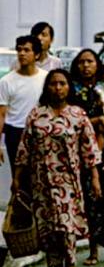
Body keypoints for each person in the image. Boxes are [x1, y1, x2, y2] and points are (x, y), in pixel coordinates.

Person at [11, 70, 102, 267]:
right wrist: (17, 178)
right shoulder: (36, 115)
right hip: (41, 181)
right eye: (53, 84)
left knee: (65, 224)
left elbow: (89, 150)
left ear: (68, 87)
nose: (58, 88)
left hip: (68, 181)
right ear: (47, 87)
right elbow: (25, 149)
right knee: (47, 227)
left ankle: (71, 265)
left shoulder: (78, 115)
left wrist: (95, 179)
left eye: (62, 84)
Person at [69, 48, 104, 266]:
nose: (85, 66)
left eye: (90, 61)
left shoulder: (103, 89)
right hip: (80, 153)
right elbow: (71, 123)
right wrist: (98, 121)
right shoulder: (72, 91)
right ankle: (93, 249)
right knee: (90, 202)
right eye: (81, 62)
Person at [0, 36, 47, 171]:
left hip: (40, 131)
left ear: (36, 54)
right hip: (15, 131)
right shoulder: (6, 81)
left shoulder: (46, 78)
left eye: (27, 50)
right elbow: (1, 114)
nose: (22, 53)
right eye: (19, 50)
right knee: (18, 176)